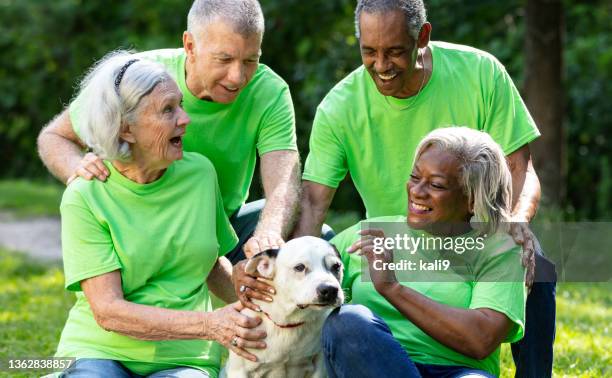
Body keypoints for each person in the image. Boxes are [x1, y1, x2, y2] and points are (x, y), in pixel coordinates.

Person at [295, 1, 555, 376]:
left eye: (396, 52)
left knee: (534, 260)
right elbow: (313, 203)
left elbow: (520, 168)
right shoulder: (340, 106)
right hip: (394, 244)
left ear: (423, 37)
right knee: (349, 322)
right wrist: (295, 271)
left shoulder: (480, 73)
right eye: (369, 52)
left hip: (469, 233)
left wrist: (512, 224)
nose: (381, 66)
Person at [37, 0, 300, 267]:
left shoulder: (269, 91)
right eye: (224, 59)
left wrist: (269, 232)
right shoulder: (141, 79)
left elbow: (283, 182)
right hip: (145, 224)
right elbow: (55, 137)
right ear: (190, 46)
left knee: (307, 233)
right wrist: (77, 167)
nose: (237, 77)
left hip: (222, 225)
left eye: (250, 60)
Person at [54, 51, 266, 378]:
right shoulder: (86, 196)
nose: (185, 118)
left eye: (180, 105)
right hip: (99, 350)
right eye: (168, 110)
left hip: (186, 359)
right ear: (126, 129)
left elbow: (209, 264)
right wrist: (212, 324)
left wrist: (250, 293)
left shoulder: (200, 174)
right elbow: (108, 311)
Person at [324, 127, 526, 378]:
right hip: (375, 368)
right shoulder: (372, 234)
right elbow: (298, 279)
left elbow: (481, 338)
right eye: (415, 177)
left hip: (458, 372)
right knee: (348, 322)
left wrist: (393, 288)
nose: (417, 191)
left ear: (473, 199)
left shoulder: (499, 250)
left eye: (436, 185)